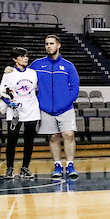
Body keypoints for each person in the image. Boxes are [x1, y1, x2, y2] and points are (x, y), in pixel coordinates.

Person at [31, 34, 80, 179]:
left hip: (65, 108)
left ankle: (70, 165)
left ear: (58, 45)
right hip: (46, 108)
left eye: (51, 43)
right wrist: (11, 70)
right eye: (46, 44)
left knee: (68, 134)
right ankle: (57, 165)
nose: (48, 46)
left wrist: (65, 102)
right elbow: (24, 77)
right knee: (53, 137)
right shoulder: (37, 65)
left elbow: (75, 87)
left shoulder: (68, 66)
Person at [0, 46, 40, 179]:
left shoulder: (33, 73)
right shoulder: (8, 74)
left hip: (31, 109)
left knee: (29, 140)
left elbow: (36, 90)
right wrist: (10, 103)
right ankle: (9, 168)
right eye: (22, 56)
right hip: (15, 111)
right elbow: (2, 93)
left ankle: (25, 168)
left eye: (26, 56)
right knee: (12, 140)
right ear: (15, 59)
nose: (25, 58)